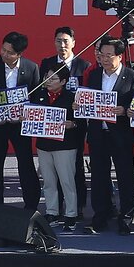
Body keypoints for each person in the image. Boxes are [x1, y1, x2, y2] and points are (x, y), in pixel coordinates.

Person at [81, 38, 134, 235]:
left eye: (109, 55)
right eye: (101, 55)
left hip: (120, 134)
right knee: (99, 176)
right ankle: (101, 215)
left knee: (125, 176)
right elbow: (88, 99)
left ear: (120, 56)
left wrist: (125, 110)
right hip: (98, 133)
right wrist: (80, 105)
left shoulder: (131, 77)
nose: (104, 59)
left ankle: (126, 217)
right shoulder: (94, 75)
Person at [0, 31, 42, 210]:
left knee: (25, 163)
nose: (4, 54)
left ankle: (31, 204)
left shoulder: (31, 67)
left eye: (9, 53)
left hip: (20, 124)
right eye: (3, 49)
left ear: (19, 54)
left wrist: (28, 114)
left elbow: (36, 96)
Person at [30, 66, 83, 230]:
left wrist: (73, 124)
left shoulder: (72, 98)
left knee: (67, 181)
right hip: (44, 145)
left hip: (65, 146)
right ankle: (52, 211)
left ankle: (71, 214)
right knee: (48, 181)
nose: (48, 81)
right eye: (46, 77)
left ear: (63, 81)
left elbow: (82, 122)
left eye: (53, 79)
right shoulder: (38, 95)